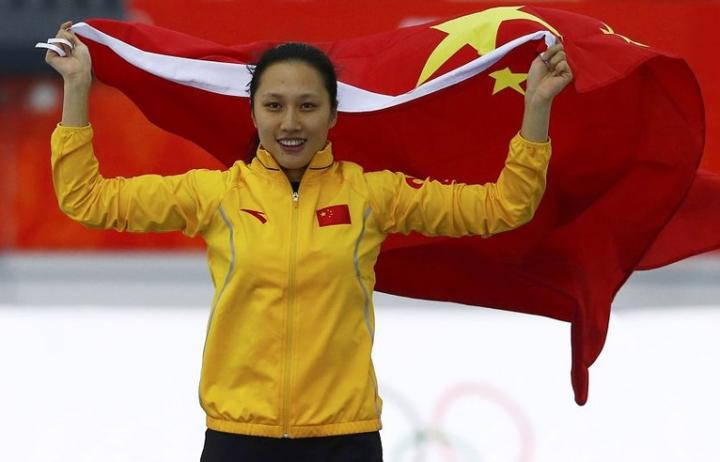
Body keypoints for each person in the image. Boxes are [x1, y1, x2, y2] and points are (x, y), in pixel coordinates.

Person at [45, 18, 572, 462]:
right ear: (253, 112)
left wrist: (537, 108)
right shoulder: (217, 195)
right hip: (237, 439)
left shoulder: (372, 195)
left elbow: (504, 206)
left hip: (345, 439)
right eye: (274, 106)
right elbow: (87, 199)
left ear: (333, 114)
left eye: (307, 106)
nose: (290, 122)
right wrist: (77, 87)